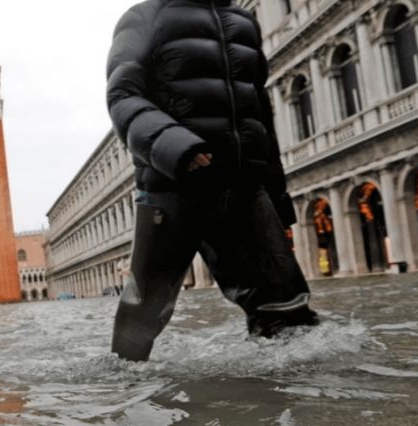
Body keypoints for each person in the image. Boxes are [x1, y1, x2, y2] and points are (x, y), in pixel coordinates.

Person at [105, 0, 320, 361]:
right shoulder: (146, 16)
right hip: (171, 185)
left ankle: (297, 396)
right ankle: (126, 394)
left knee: (287, 307)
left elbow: (259, 110)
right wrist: (176, 146)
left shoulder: (243, 21)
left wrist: (276, 195)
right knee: (145, 308)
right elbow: (123, 94)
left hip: (245, 187)